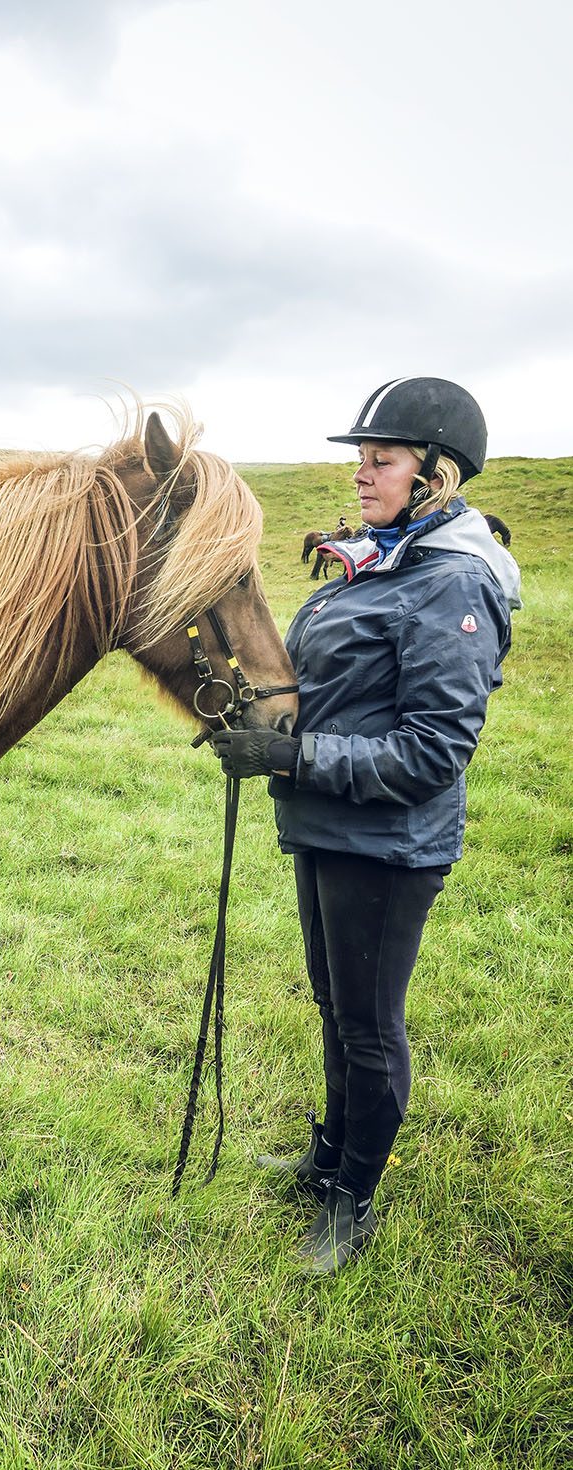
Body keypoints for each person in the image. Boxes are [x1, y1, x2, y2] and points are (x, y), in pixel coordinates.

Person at [212, 377, 521, 1274]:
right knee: (333, 1006)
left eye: (381, 459)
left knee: (369, 1024)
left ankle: (354, 1198)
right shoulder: (387, 558)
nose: (362, 473)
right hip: (326, 825)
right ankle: (328, 1156)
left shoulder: (453, 579)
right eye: (360, 458)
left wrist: (294, 758)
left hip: (388, 843)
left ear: (438, 475)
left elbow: (433, 752)